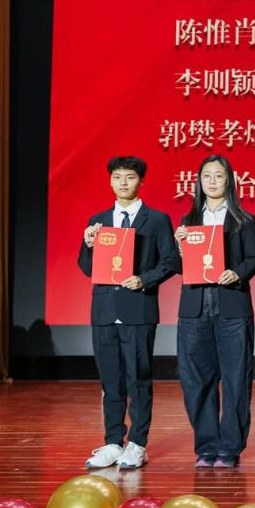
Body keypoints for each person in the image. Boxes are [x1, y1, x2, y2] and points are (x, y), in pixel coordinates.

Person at [77, 156, 180, 470]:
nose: (123, 182)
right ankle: (112, 442)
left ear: (141, 181)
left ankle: (137, 444)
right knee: (110, 380)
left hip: (138, 308)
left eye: (130, 177)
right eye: (117, 177)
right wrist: (88, 243)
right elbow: (86, 267)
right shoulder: (98, 220)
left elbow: (171, 262)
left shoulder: (156, 220)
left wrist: (144, 279)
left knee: (138, 379)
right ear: (110, 180)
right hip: (105, 310)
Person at [174, 154, 255, 468]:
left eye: (219, 175)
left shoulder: (243, 220)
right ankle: (206, 446)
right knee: (196, 379)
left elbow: (254, 260)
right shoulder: (187, 221)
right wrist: (180, 247)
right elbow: (177, 266)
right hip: (194, 307)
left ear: (229, 181)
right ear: (199, 181)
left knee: (236, 378)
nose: (212, 181)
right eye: (207, 176)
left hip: (231, 305)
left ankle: (230, 447)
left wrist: (236, 273)